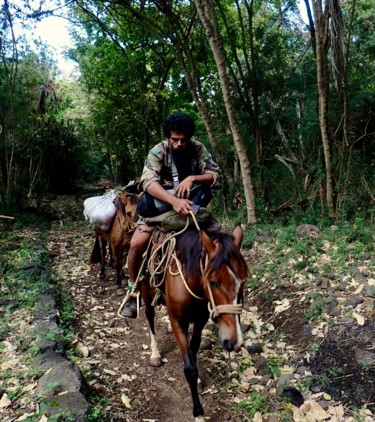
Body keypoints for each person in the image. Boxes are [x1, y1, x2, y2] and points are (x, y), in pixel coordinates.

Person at [122, 112, 221, 318]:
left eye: (183, 140)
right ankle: (134, 292)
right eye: (174, 139)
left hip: (191, 204)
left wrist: (193, 178)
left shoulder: (198, 148)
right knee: (136, 244)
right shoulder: (158, 151)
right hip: (161, 206)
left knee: (221, 239)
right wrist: (173, 201)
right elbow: (148, 181)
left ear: (189, 137)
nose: (178, 144)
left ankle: (221, 293)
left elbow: (214, 175)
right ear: (168, 136)